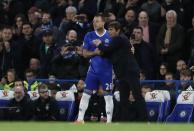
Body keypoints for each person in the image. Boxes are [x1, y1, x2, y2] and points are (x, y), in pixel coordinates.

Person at [93, 21, 147, 121]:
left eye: (111, 29)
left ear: (118, 30)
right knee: (123, 99)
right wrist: (100, 52)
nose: (109, 32)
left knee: (137, 95)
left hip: (130, 72)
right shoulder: (116, 41)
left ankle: (144, 120)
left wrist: (99, 44)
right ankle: (124, 121)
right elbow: (110, 54)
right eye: (108, 29)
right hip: (122, 74)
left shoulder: (119, 38)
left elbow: (108, 49)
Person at [76, 14, 114, 123]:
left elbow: (113, 52)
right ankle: (80, 120)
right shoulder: (89, 35)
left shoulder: (110, 35)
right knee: (86, 94)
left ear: (103, 22)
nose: (94, 23)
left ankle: (109, 122)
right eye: (93, 21)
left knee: (108, 96)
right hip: (92, 71)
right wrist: (95, 52)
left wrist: (104, 51)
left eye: (97, 21)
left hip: (107, 71)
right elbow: (84, 53)